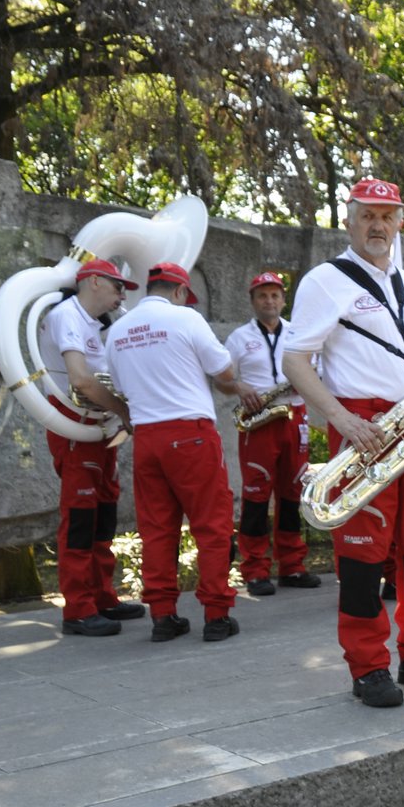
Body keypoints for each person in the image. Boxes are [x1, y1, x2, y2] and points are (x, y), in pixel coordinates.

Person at [281, 178, 404, 707]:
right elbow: (294, 359)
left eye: (387, 216)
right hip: (364, 426)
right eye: (367, 215)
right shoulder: (325, 280)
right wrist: (341, 419)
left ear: (399, 222)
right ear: (349, 220)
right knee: (364, 553)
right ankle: (367, 666)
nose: (377, 225)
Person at [106, 263, 249, 642]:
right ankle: (217, 616)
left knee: (156, 530)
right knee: (212, 525)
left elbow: (120, 385)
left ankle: (163, 617)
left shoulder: (118, 331)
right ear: (180, 292)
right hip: (191, 435)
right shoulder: (185, 318)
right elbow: (223, 371)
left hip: (147, 439)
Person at [38, 259, 145, 636]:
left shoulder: (97, 324)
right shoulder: (67, 315)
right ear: (94, 281)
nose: (121, 294)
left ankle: (102, 596)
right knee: (82, 517)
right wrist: (124, 410)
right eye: (118, 285)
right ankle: (78, 609)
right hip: (76, 426)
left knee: (103, 513)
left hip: (99, 428)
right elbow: (82, 381)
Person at [224, 272, 320, 596]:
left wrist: (306, 379)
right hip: (259, 418)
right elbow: (221, 378)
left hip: (294, 415)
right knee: (255, 497)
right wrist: (238, 386)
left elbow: (317, 366)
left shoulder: (299, 332)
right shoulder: (238, 337)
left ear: (283, 299)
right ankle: (254, 570)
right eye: (263, 296)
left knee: (293, 494)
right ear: (252, 301)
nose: (269, 301)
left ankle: (292, 566)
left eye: (275, 295)